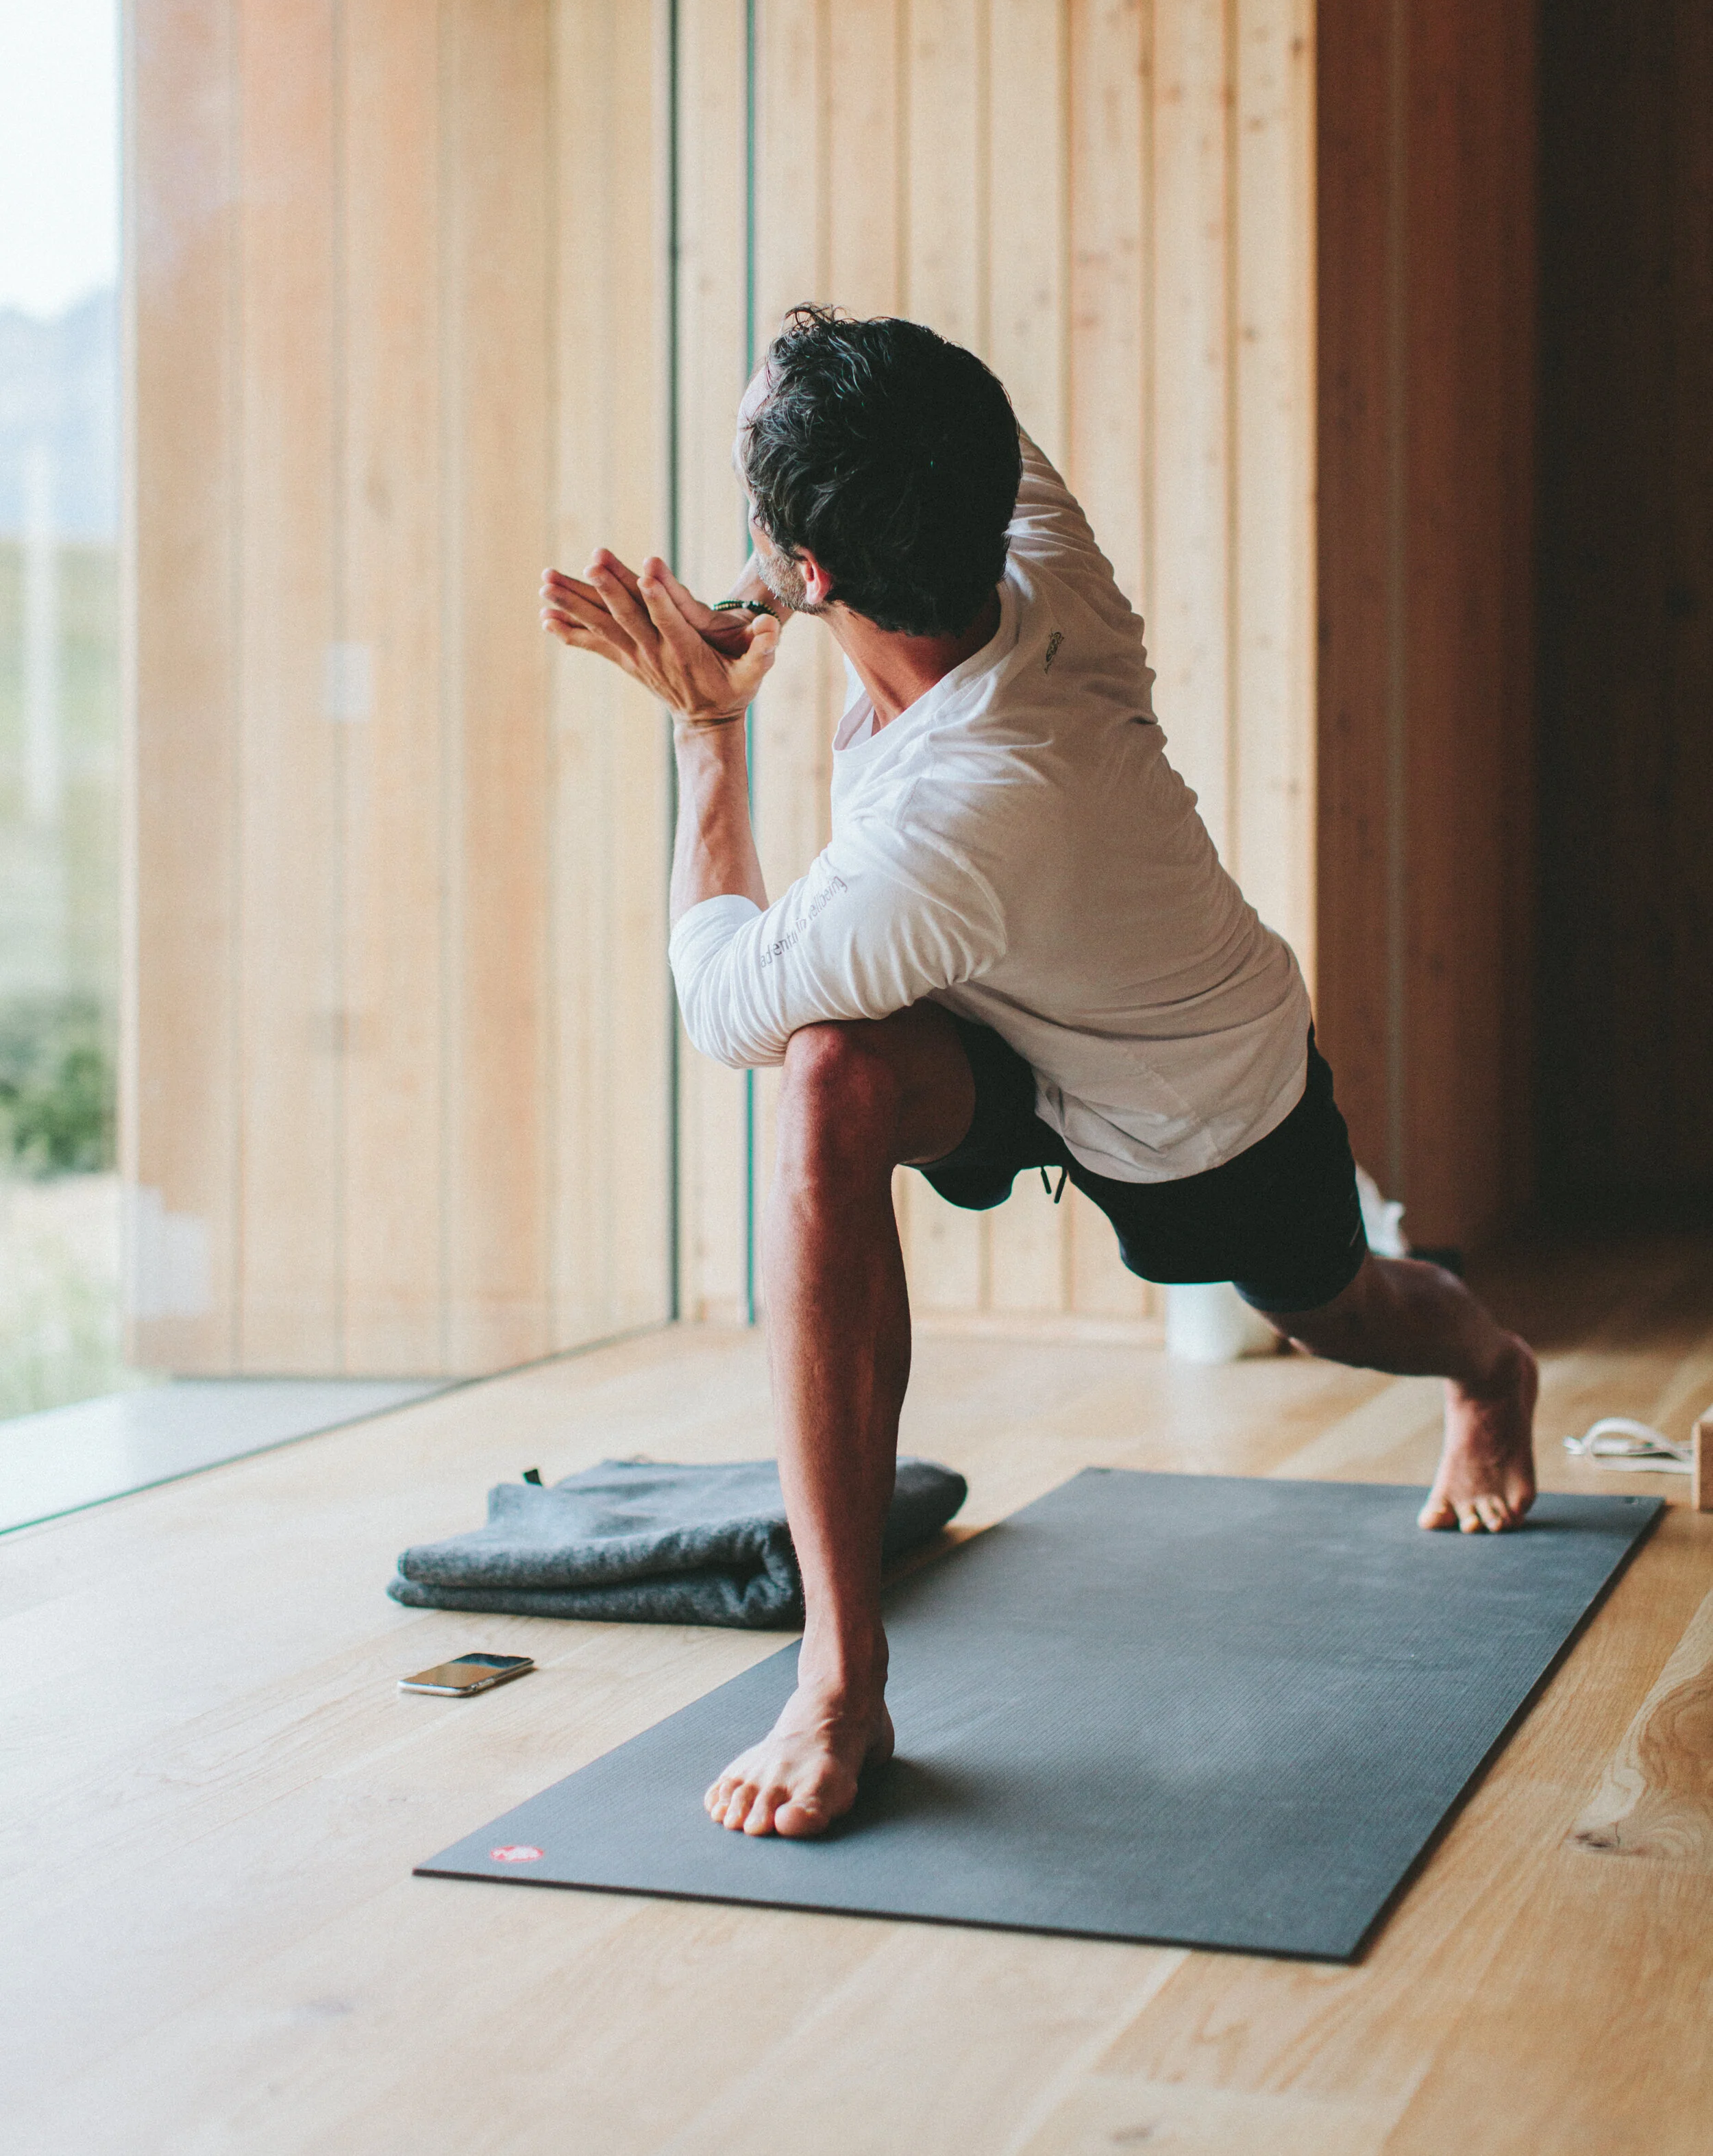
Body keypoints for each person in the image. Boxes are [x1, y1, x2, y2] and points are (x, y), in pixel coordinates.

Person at [539, 306, 1538, 1843]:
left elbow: (719, 1002)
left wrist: (705, 733)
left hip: (1194, 1099)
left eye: (764, 530)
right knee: (830, 1082)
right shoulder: (1028, 531)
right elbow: (874, 504)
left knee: (1337, 1310)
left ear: (816, 573)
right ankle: (840, 1671)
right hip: (1006, 1017)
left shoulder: (958, 818)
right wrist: (763, 594)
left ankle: (1488, 1366)